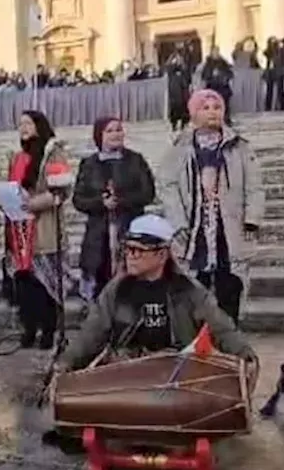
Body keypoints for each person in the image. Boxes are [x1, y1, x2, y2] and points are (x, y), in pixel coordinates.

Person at [55, 214, 257, 373]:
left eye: (138, 251)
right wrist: (66, 362)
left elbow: (222, 329)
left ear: (161, 255)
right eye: (127, 249)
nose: (130, 256)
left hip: (176, 369)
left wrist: (244, 354)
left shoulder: (189, 291)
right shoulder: (115, 291)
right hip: (128, 370)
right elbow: (91, 334)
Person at [160, 90, 264, 324]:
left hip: (229, 224)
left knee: (230, 281)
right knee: (196, 283)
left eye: (216, 108)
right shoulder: (180, 148)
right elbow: (167, 185)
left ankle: (229, 333)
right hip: (194, 226)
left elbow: (254, 184)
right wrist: (178, 222)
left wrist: (252, 217)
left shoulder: (239, 147)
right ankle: (198, 337)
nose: (212, 113)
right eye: (205, 108)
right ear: (194, 113)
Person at [4, 110, 74, 349]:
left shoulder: (53, 153)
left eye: (28, 123)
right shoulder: (17, 157)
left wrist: (36, 203)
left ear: (39, 126)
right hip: (19, 229)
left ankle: (48, 330)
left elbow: (62, 191)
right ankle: (29, 328)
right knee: (25, 284)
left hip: (44, 228)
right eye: (20, 124)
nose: (23, 127)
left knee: (45, 284)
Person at [72, 117, 156, 300]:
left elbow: (148, 193)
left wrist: (121, 201)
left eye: (118, 130)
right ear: (99, 136)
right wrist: (101, 203)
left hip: (130, 230)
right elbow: (78, 199)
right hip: (98, 235)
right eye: (109, 131)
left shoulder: (135, 160)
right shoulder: (89, 164)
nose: (115, 134)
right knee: (102, 289)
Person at [199, 46, 234, 124]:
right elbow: (204, 76)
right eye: (214, 52)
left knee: (225, 103)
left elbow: (230, 73)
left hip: (223, 86)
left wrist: (224, 76)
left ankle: (226, 119)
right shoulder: (208, 64)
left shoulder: (223, 62)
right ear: (211, 53)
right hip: (212, 87)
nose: (216, 53)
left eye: (217, 51)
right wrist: (212, 75)